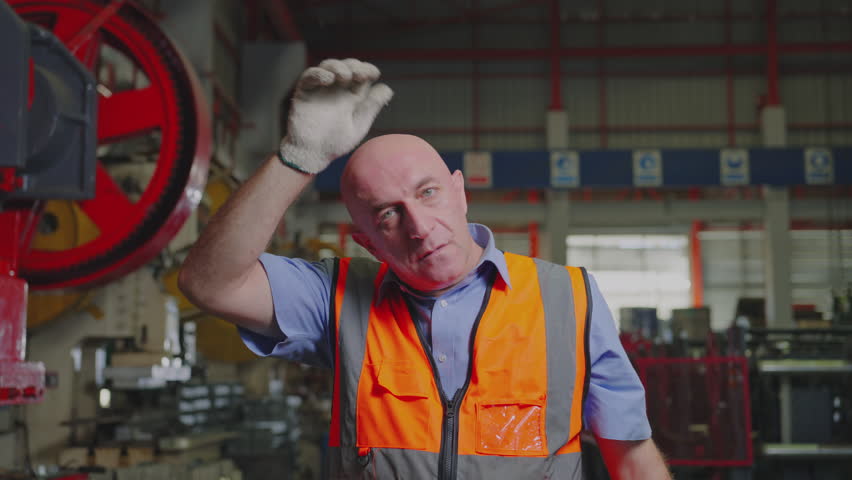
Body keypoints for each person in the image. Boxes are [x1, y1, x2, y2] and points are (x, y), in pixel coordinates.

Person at [179, 58, 671, 479]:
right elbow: (208, 283)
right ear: (366, 241)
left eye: (428, 193)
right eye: (387, 214)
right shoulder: (339, 300)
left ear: (460, 191)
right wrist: (298, 159)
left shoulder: (568, 299)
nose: (419, 225)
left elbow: (632, 459)